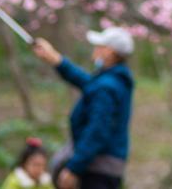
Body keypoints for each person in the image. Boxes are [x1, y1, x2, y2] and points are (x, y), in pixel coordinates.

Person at [32, 28, 135, 189]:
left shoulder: (107, 87)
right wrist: (55, 59)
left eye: (99, 46)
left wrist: (74, 168)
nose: (95, 50)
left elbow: (97, 131)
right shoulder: (114, 80)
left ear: (110, 52)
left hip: (98, 168)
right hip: (106, 165)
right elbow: (88, 83)